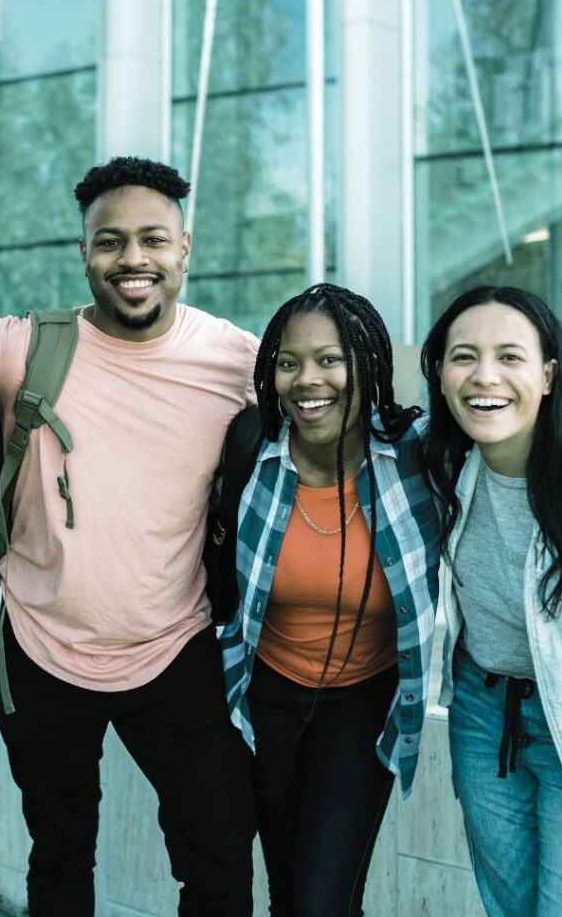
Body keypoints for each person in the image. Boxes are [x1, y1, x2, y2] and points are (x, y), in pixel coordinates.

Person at [0, 156, 259, 915]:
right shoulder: (20, 349)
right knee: (61, 856)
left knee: (221, 858)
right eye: (110, 242)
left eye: (153, 240)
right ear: (84, 255)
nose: (133, 259)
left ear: (185, 248)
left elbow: (345, 413)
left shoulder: (239, 362)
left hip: (176, 646)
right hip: (39, 648)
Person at [219, 283, 441, 916]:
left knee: (321, 901)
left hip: (362, 700)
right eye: (288, 362)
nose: (306, 379)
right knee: (289, 892)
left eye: (330, 359)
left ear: (368, 363)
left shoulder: (415, 453)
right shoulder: (250, 447)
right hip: (263, 694)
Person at [419, 285, 562, 917]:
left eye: (510, 356)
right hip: (483, 718)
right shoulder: (441, 460)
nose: (485, 377)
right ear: (440, 373)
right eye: (463, 357)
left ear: (549, 373)